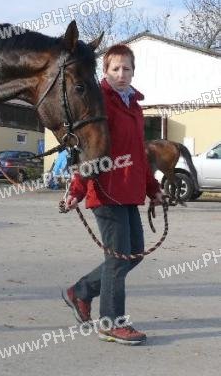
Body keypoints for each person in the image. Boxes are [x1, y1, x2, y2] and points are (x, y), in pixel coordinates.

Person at [61, 44, 163, 346]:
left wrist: (153, 188)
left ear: (133, 71)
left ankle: (81, 291)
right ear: (104, 71)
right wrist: (77, 189)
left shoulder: (134, 105)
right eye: (115, 68)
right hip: (105, 190)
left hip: (129, 192)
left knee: (133, 255)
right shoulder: (100, 101)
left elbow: (139, 153)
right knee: (118, 260)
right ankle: (111, 322)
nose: (121, 74)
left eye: (126, 68)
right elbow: (88, 148)